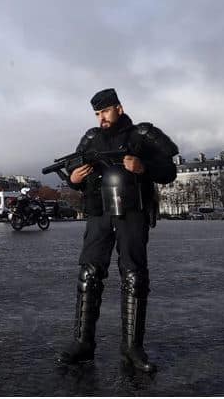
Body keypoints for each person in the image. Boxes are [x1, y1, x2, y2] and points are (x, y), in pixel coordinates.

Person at [56, 88, 178, 373]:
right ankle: (83, 343)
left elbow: (169, 172)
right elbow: (75, 173)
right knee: (89, 273)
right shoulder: (91, 139)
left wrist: (143, 167)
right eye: (97, 113)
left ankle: (132, 348)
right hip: (98, 212)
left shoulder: (141, 135)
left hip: (132, 211)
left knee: (134, 274)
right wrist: (74, 179)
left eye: (105, 111)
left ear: (119, 109)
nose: (101, 118)